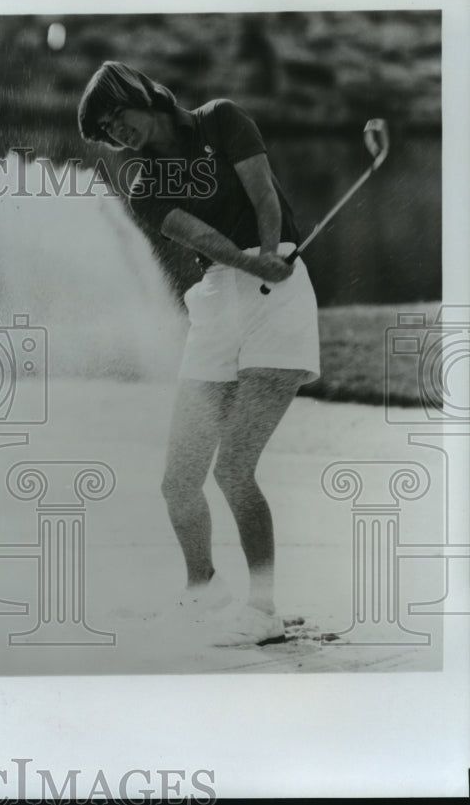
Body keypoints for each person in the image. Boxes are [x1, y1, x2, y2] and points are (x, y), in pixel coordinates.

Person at [78, 62, 320, 646]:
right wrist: (246, 263)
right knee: (178, 481)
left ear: (142, 95)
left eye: (119, 117)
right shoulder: (142, 185)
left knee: (234, 468)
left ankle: (263, 613)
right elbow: (200, 238)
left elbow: (263, 192)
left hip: (278, 296)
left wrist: (267, 257)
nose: (119, 134)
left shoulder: (222, 119)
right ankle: (204, 589)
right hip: (217, 297)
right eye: (107, 132)